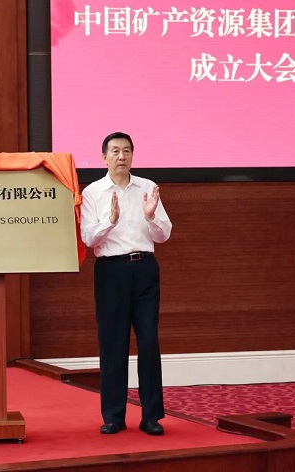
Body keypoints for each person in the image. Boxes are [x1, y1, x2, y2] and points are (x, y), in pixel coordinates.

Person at [80, 131, 172, 436]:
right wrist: (111, 220)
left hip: (145, 269)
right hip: (111, 272)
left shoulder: (147, 188)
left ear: (133, 155)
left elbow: (164, 234)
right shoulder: (93, 192)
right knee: (113, 343)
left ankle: (151, 417)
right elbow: (88, 238)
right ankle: (114, 416)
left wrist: (151, 216)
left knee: (149, 342)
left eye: (127, 151)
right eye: (115, 151)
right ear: (104, 157)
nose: (121, 156)